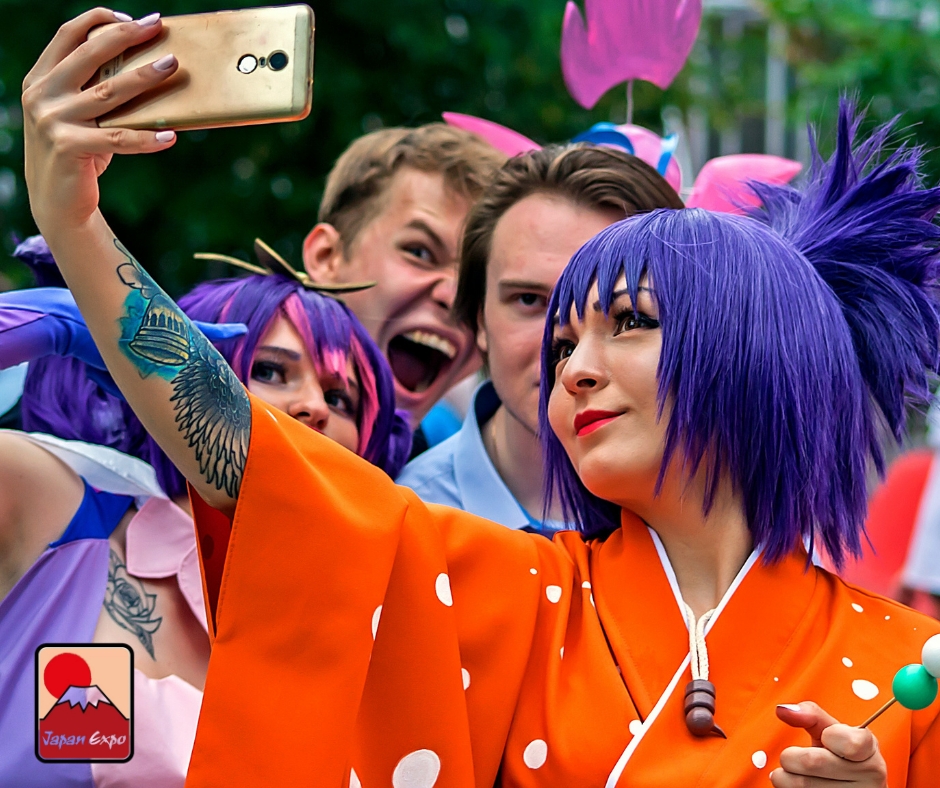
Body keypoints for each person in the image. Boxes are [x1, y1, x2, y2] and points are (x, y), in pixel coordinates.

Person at [22, 12, 933, 786]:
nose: (570, 369)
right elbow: (252, 463)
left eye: (629, 322)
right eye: (561, 338)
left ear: (756, 349)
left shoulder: (913, 670)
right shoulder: (512, 590)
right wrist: (76, 223)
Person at [0, 236, 409, 787]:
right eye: (270, 370)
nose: (313, 406)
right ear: (167, 388)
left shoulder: (381, 636)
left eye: (341, 400)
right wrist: (43, 325)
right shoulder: (58, 507)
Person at [398, 144, 683, 533]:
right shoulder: (406, 524)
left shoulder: (742, 516)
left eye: (624, 315)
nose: (570, 353)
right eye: (529, 300)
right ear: (480, 321)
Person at [302, 122, 506, 440]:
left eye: (478, 280)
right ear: (327, 257)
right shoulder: (224, 408)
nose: (455, 296)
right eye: (420, 253)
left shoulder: (441, 455)